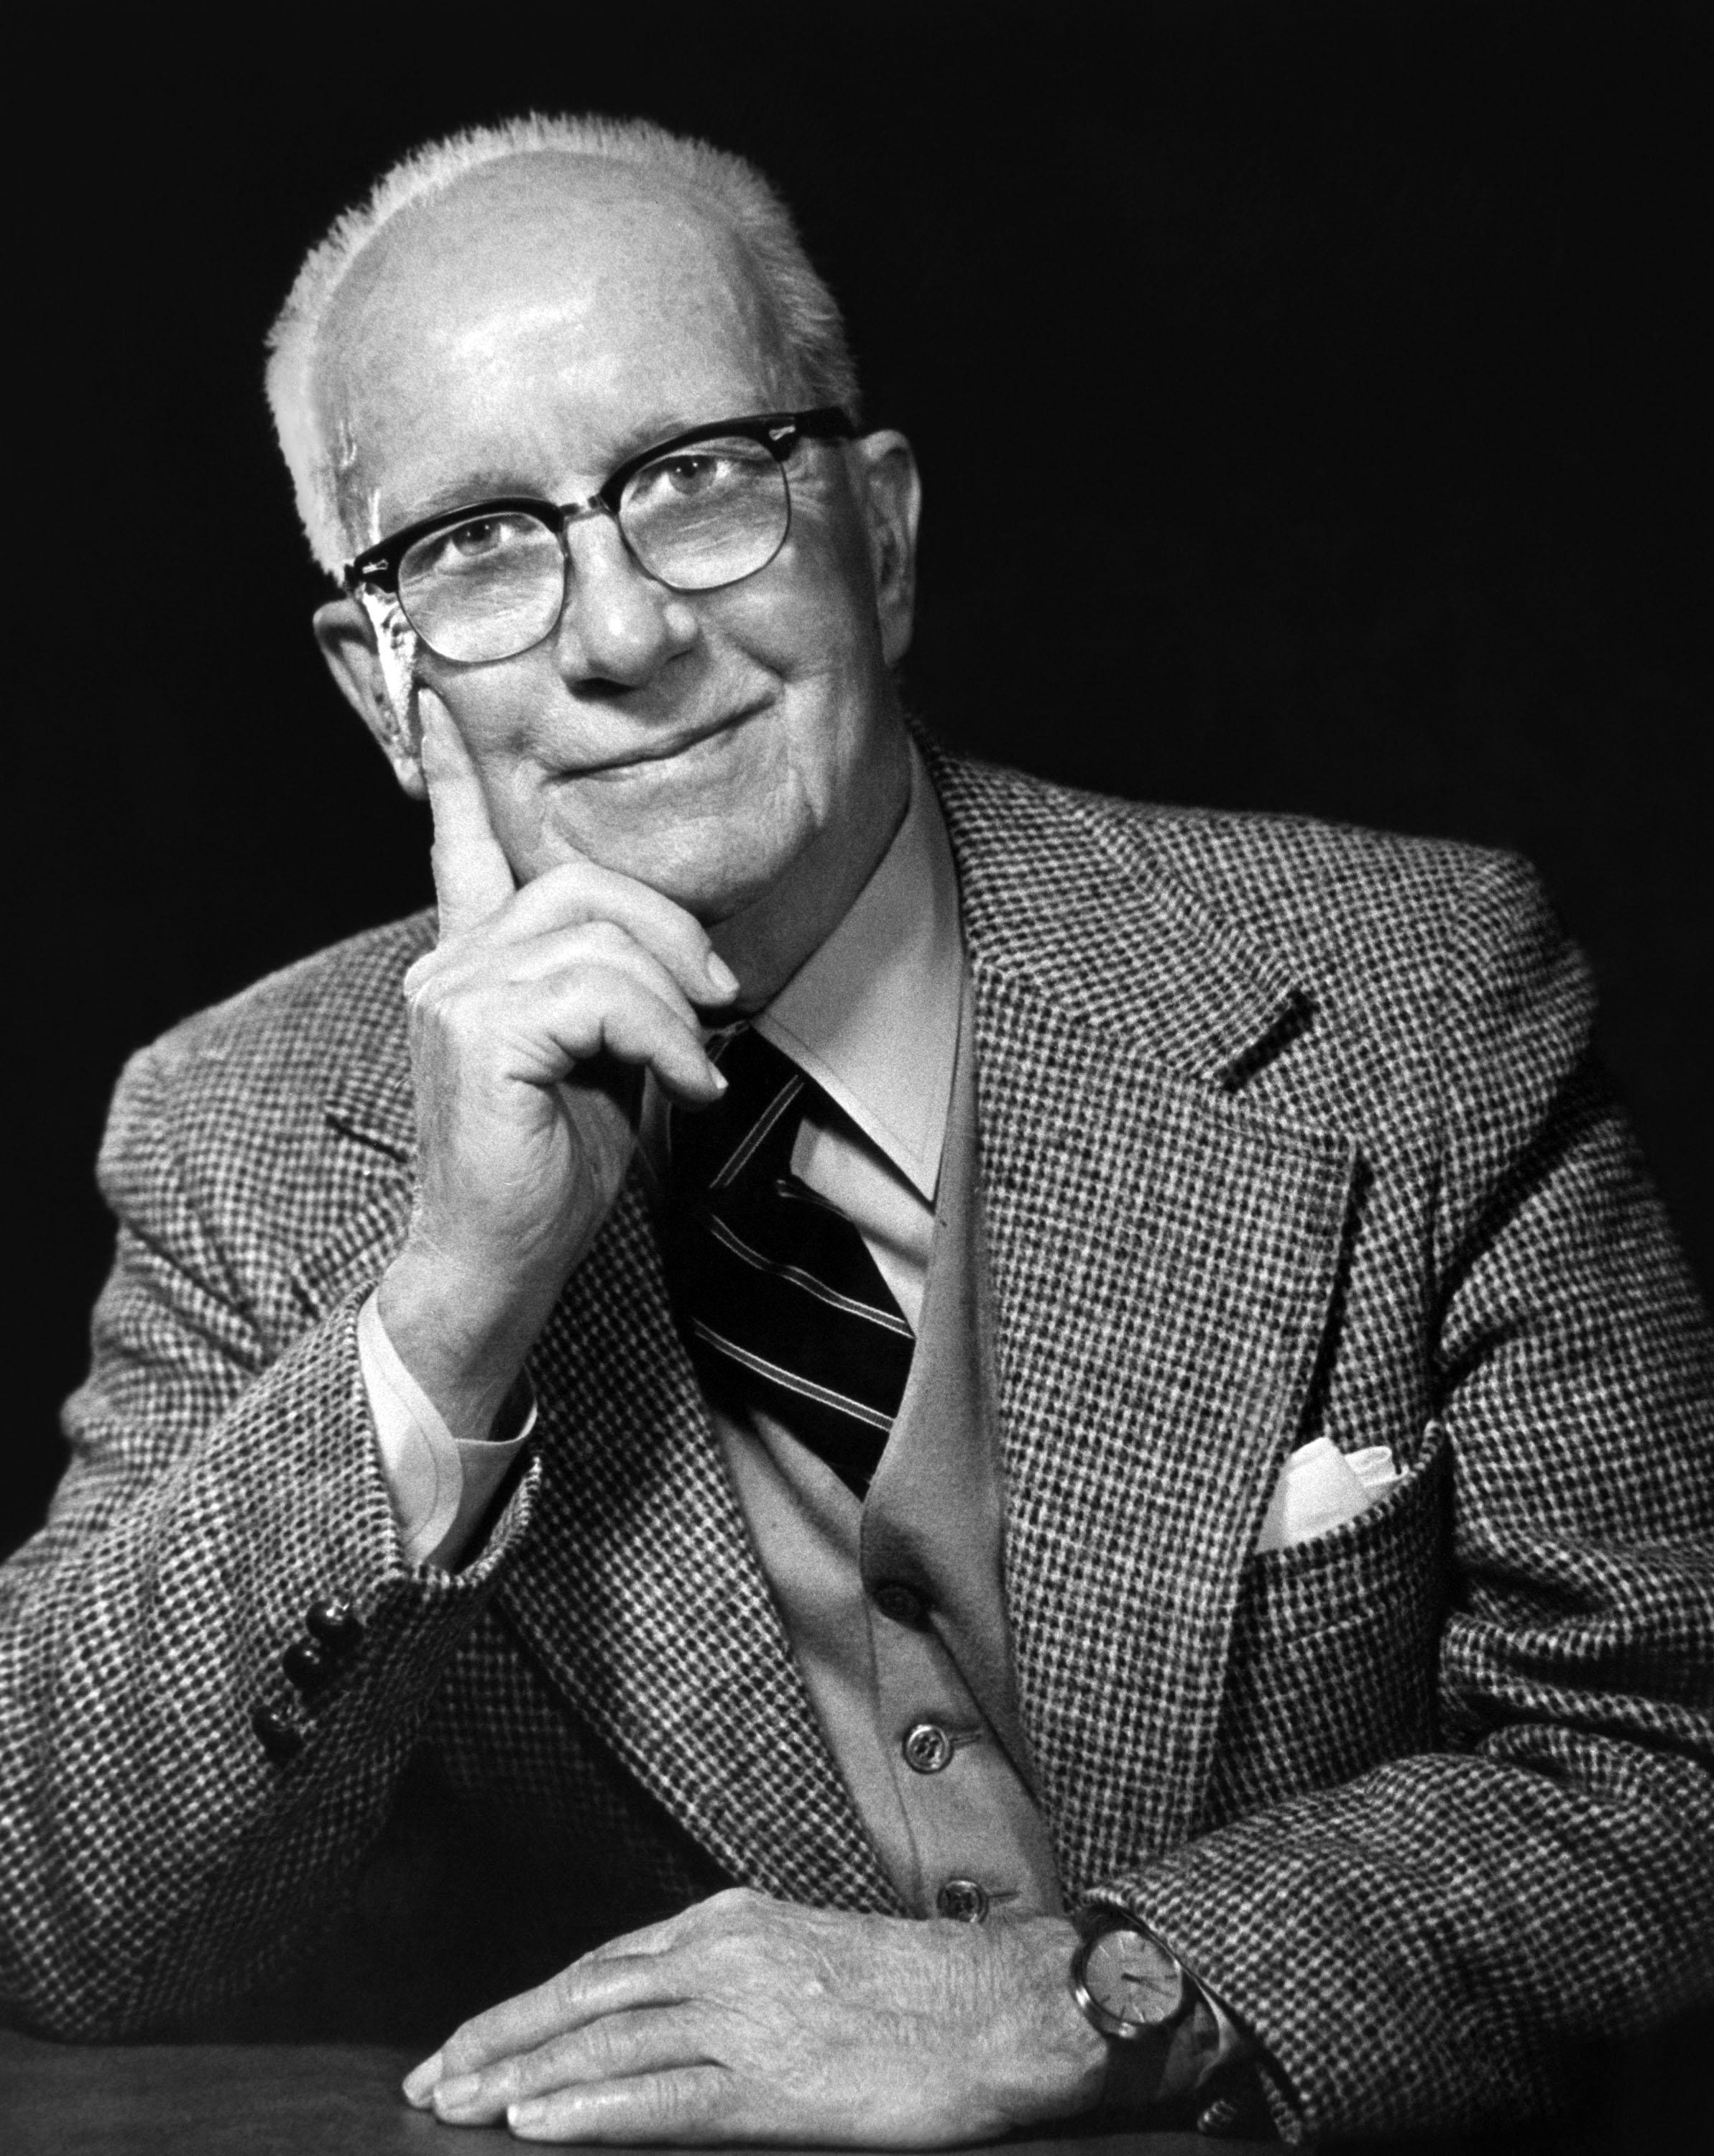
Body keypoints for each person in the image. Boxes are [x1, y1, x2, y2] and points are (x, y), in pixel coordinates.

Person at [2, 111, 1710, 2147]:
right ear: (385, 694)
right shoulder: (241, 1133)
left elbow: (1669, 1766)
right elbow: (64, 1920)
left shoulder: (1411, 997)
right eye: (473, 546)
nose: (621, 634)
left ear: (876, 535)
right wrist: (452, 1301)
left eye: (696, 478)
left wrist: (1092, 1999)